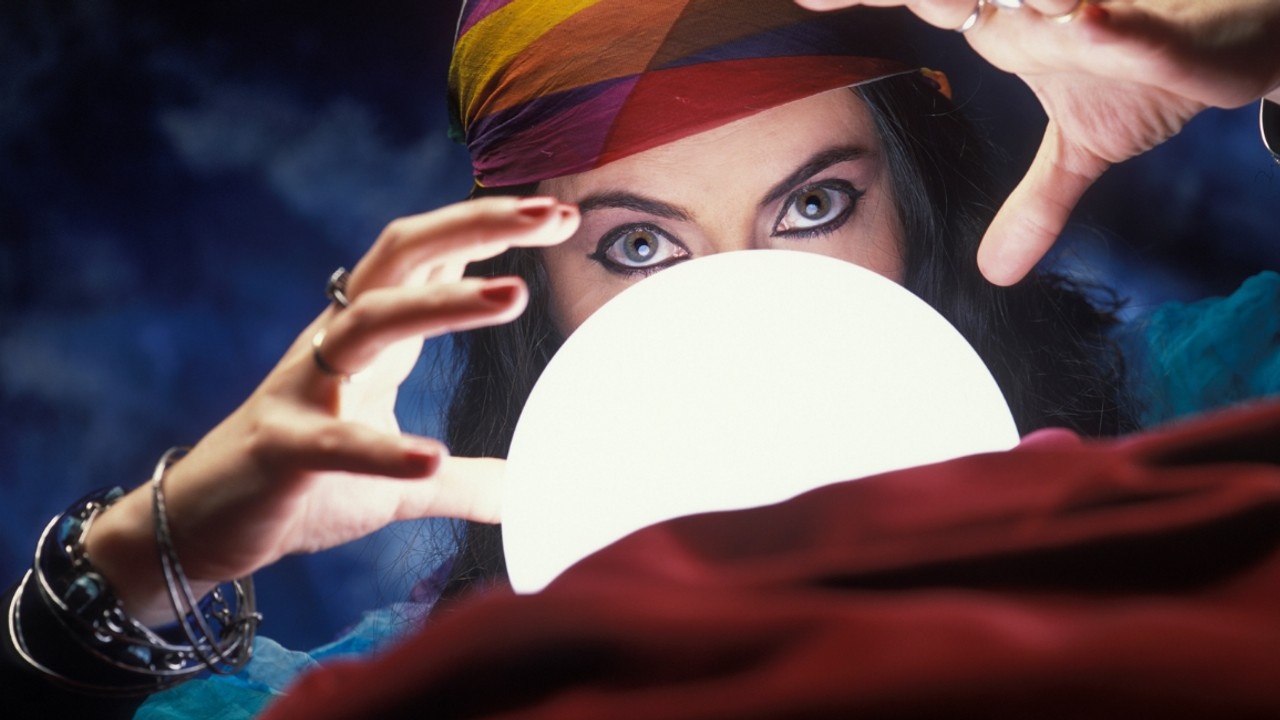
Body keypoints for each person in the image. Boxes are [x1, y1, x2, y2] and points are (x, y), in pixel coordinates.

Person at [4, 0, 1279, 716]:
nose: (741, 309)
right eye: (637, 246)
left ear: (914, 207)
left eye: (813, 207)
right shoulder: (456, 682)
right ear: (538, 297)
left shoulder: (1194, 424)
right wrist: (169, 539)